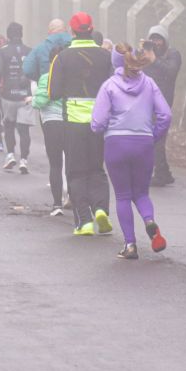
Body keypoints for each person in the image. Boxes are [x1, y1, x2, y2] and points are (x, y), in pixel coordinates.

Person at [91, 44, 172, 259]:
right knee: (142, 193)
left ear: (115, 62)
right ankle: (149, 220)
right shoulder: (150, 83)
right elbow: (165, 114)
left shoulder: (109, 86)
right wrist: (154, 135)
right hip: (143, 142)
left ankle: (130, 245)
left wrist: (101, 130)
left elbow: (98, 121)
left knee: (123, 195)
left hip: (116, 143)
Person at [47, 13, 113, 236]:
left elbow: (53, 92)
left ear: (72, 32)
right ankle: (102, 210)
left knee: (76, 172)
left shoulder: (63, 57)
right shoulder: (105, 56)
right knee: (97, 168)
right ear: (91, 29)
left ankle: (84, 221)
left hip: (73, 121)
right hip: (99, 121)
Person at [142, 25, 181, 186]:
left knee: (157, 137)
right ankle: (164, 173)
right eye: (153, 39)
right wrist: (142, 53)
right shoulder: (147, 53)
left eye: (159, 39)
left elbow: (171, 72)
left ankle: (160, 174)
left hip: (163, 102)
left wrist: (154, 60)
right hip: (146, 101)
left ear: (165, 41)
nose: (156, 43)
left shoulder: (173, 54)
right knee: (153, 137)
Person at [33, 46, 66, 215]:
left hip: (52, 123)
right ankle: (75, 199)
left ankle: (57, 204)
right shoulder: (72, 77)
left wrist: (32, 100)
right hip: (71, 122)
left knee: (55, 164)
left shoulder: (46, 78)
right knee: (73, 164)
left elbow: (40, 102)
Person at [0, 22, 32, 173]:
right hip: (25, 96)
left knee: (9, 126)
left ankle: (10, 155)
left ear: (8, 35)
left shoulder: (2, 51)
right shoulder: (30, 51)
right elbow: (34, 72)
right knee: (24, 130)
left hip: (8, 95)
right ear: (21, 34)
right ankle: (24, 160)